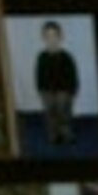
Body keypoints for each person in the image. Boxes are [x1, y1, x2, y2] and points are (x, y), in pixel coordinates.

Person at [32, 19, 81, 149]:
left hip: (64, 90)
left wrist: (73, 90)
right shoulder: (41, 57)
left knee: (63, 109)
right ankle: (53, 134)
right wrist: (40, 89)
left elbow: (73, 76)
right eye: (48, 36)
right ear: (43, 38)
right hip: (47, 89)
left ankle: (66, 132)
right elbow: (38, 75)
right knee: (49, 111)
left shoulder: (66, 57)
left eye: (54, 35)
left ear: (60, 37)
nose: (51, 39)